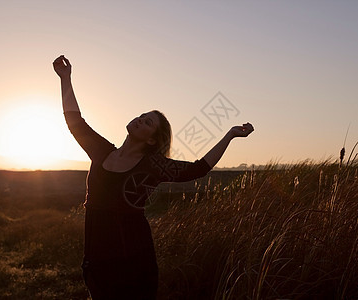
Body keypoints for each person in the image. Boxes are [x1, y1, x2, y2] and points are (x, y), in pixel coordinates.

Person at [53, 55, 254, 299]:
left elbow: (199, 169)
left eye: (147, 122)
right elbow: (75, 122)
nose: (140, 119)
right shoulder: (100, 151)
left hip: (134, 263)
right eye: (142, 115)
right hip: (96, 260)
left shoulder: (152, 167)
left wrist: (230, 135)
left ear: (151, 139)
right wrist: (66, 78)